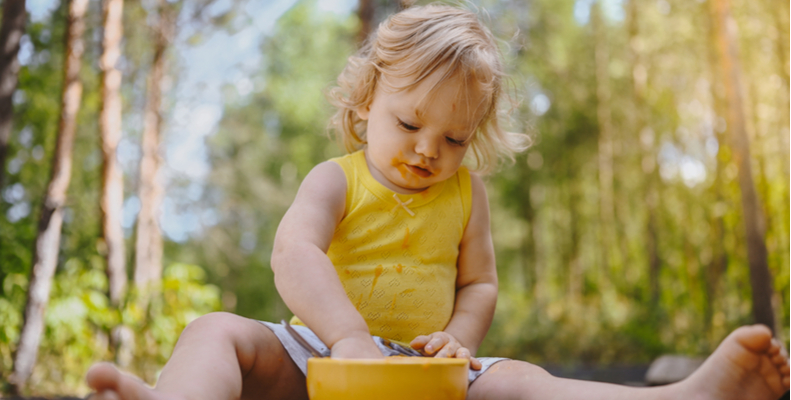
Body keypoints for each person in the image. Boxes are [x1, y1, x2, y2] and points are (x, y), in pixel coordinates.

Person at [86, 4, 790, 400]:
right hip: (321, 360)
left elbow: (478, 281)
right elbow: (292, 254)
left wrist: (463, 339)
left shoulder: (465, 195)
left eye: (454, 137)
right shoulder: (337, 179)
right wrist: (349, 339)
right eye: (410, 124)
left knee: (523, 382)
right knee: (215, 330)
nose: (428, 150)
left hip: (425, 372)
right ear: (366, 106)